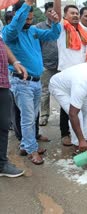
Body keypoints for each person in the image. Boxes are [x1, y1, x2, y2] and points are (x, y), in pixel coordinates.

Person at [2, 0, 61, 165]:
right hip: (22, 82)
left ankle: (26, 145)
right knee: (28, 118)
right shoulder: (10, 32)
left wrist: (56, 23)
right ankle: (32, 150)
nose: (29, 21)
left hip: (35, 82)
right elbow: (16, 25)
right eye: (26, 18)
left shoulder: (33, 30)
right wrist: (27, 4)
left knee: (32, 117)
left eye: (30, 18)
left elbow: (53, 35)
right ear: (18, 16)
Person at [56, 3, 87, 146]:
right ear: (65, 16)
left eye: (77, 13)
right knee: (66, 107)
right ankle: (65, 134)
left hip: (81, 74)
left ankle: (80, 135)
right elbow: (56, 13)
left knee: (79, 106)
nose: (75, 15)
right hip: (66, 73)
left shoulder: (82, 32)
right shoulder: (61, 28)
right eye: (72, 13)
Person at [0, 35, 27, 177]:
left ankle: (1, 164)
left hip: (3, 82)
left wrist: (15, 61)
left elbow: (2, 43)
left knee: (3, 124)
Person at [36, 2, 59, 126]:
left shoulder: (62, 26)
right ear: (45, 13)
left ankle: (65, 118)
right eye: (49, 11)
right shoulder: (39, 27)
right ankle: (44, 116)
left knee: (63, 91)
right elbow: (36, 47)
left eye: (54, 11)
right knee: (45, 91)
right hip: (45, 64)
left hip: (61, 65)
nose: (52, 13)